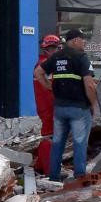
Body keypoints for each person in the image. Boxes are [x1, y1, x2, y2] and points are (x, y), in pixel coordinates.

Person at [35, 28, 99, 180]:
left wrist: (49, 86)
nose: (84, 42)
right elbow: (89, 84)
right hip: (79, 108)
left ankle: (54, 176)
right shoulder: (81, 57)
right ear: (75, 40)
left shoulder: (57, 57)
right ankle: (79, 177)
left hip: (60, 108)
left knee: (57, 143)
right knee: (79, 143)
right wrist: (93, 105)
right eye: (83, 39)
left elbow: (38, 72)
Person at [32, 33, 61, 175]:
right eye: (54, 48)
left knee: (48, 136)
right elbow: (51, 86)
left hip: (46, 106)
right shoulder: (46, 66)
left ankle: (39, 166)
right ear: (47, 49)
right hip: (49, 107)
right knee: (49, 137)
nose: (56, 51)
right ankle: (49, 170)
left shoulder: (41, 63)